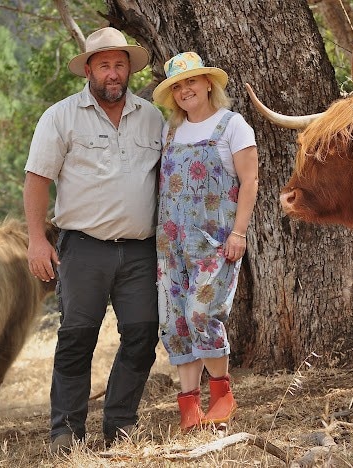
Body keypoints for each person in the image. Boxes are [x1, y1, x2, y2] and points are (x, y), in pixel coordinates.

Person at [23, 27, 164, 452]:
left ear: (129, 69)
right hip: (83, 247)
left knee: (142, 334)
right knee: (76, 336)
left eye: (120, 64)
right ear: (88, 69)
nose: (113, 73)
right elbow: (36, 180)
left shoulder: (153, 116)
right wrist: (36, 240)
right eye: (104, 65)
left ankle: (120, 424)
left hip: (141, 248)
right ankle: (66, 430)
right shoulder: (61, 116)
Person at [152, 52, 259, 432]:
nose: (185, 90)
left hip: (215, 242)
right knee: (176, 320)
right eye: (177, 86)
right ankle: (188, 408)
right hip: (170, 244)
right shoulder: (170, 131)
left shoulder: (232, 125)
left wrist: (239, 233)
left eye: (191, 82)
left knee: (201, 312)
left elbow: (250, 181)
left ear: (208, 83)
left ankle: (222, 395)